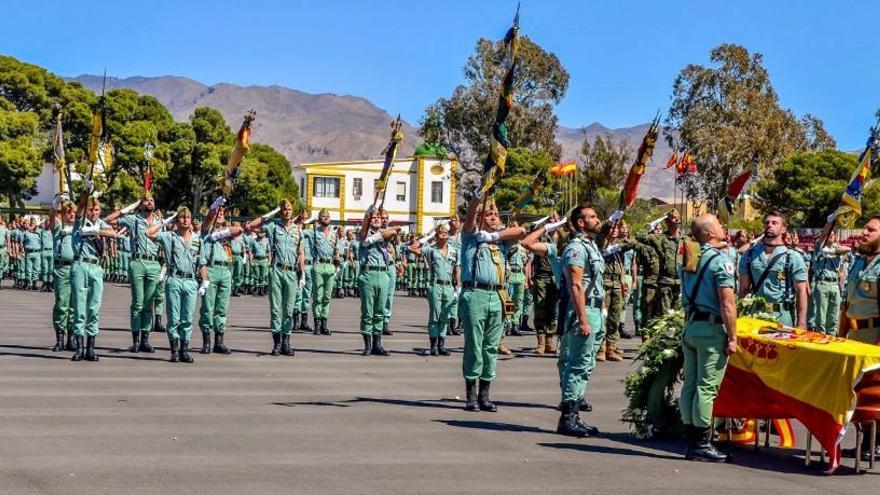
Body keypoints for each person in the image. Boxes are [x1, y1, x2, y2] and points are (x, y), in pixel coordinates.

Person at [459, 192, 526, 412]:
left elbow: (521, 231)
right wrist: (479, 196)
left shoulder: (500, 240)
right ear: (480, 218)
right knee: (474, 345)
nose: (494, 218)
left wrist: (494, 237)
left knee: (490, 347)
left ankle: (485, 394)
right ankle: (471, 393)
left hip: (498, 295)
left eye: (496, 214)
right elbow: (469, 216)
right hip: (475, 294)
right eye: (489, 214)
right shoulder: (471, 237)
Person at [679, 214, 737, 462]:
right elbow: (727, 303)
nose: (723, 228)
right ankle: (703, 443)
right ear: (711, 232)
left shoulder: (691, 257)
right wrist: (732, 336)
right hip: (711, 330)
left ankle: (692, 441)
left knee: (690, 384)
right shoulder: (720, 262)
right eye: (719, 225)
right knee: (706, 387)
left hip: (691, 326)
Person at [557, 205, 609, 436]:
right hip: (584, 311)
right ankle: (567, 417)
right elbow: (576, 285)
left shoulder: (591, 246)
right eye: (592, 217)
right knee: (577, 364)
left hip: (595, 310)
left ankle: (575, 413)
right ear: (580, 222)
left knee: (586, 364)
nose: (597, 220)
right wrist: (583, 319)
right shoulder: (576, 249)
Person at [840, 214, 880, 461]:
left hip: (874, 334)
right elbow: (847, 305)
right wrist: (840, 336)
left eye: (871, 229)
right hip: (855, 335)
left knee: (874, 392)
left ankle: (875, 443)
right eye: (865, 228)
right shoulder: (859, 261)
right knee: (855, 391)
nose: (864, 232)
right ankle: (865, 441)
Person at [246, 199, 306, 355]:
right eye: (284, 209)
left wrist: (303, 273)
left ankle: (286, 342)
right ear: (281, 211)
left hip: (292, 272)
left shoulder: (298, 231)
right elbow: (251, 226)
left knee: (289, 309)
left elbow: (301, 252)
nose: (287, 211)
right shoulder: (273, 226)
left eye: (289, 209)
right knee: (275, 309)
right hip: (277, 271)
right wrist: (271, 213)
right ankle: (277, 343)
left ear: (293, 212)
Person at [106, 193, 163, 353]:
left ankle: (145, 339)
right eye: (146, 200)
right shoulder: (133, 219)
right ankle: (136, 340)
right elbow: (108, 220)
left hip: (154, 263)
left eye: (152, 200)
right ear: (141, 204)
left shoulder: (159, 222)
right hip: (138, 262)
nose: (149, 202)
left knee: (149, 303)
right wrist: (128, 208)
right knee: (138, 302)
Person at [146, 207, 201, 362]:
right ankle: (174, 350)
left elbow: (201, 262)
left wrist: (205, 281)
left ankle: (184, 350)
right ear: (176, 220)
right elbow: (149, 233)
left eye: (187, 217)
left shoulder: (197, 239)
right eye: (181, 217)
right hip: (174, 279)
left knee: (187, 317)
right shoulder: (169, 236)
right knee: (174, 317)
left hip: (190, 280)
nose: (185, 220)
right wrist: (166, 220)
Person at [70, 193, 120, 362]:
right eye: (91, 209)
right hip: (81, 264)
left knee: (94, 307)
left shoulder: (101, 224)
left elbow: (113, 233)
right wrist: (85, 191)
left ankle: (90, 348)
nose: (93, 212)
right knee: (79, 306)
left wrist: (95, 230)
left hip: (96, 266)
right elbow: (80, 209)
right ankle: (79, 347)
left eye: (96, 209)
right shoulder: (80, 221)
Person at [738, 212, 808, 328]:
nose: (769, 225)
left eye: (774, 223)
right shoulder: (750, 255)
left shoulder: (792, 257)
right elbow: (743, 289)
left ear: (783, 229)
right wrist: (740, 315)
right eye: (767, 222)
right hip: (755, 314)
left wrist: (801, 323)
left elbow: (801, 292)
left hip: (782, 315)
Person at [198, 197, 243, 354]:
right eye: (219, 211)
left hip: (225, 272)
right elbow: (208, 219)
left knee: (222, 308)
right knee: (208, 308)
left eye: (223, 211)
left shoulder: (226, 232)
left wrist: (223, 232)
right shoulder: (206, 229)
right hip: (211, 269)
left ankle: (219, 341)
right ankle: (206, 341)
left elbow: (239, 230)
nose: (221, 213)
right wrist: (214, 207)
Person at [409, 223, 459, 356]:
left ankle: (442, 345)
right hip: (435, 285)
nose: (443, 233)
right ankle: (433, 345)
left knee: (445, 316)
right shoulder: (431, 249)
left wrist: (458, 287)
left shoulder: (454, 251)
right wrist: (428, 236)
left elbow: (457, 269)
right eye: (440, 232)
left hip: (449, 286)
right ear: (436, 235)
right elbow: (413, 248)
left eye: (445, 232)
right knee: (435, 316)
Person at [357, 205, 401, 356]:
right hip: (368, 274)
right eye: (374, 217)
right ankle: (368, 345)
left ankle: (378, 344)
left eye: (378, 217)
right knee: (368, 311)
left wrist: (378, 235)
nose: (376, 219)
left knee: (380, 312)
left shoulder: (384, 233)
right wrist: (367, 215)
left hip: (383, 275)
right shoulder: (363, 233)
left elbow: (395, 230)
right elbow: (363, 233)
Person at [47, 195, 78, 352]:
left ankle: (71, 339)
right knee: (61, 304)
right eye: (68, 212)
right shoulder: (59, 227)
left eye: (74, 212)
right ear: (63, 214)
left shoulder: (79, 228)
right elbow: (52, 219)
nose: (71, 215)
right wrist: (55, 203)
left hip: (76, 268)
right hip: (61, 269)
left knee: (74, 305)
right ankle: (59, 338)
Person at [304, 208, 339, 335]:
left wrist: (337, 265)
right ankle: (317, 323)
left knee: (327, 296)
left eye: (328, 216)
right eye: (323, 216)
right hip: (318, 264)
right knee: (318, 295)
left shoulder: (334, 234)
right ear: (319, 219)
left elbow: (336, 250)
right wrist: (309, 220)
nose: (326, 217)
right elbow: (300, 230)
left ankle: (324, 323)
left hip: (330, 265)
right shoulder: (313, 232)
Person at [810, 229, 849, 335]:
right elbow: (820, 242)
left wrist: (832, 251)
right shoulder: (819, 248)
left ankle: (831, 340)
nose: (831, 235)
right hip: (822, 284)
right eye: (829, 234)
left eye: (833, 234)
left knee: (833, 317)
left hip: (835, 285)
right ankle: (820, 342)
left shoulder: (838, 249)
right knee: (821, 318)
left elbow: (848, 249)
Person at [380, 209, 399, 335]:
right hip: (381, 267)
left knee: (389, 296)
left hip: (391, 266)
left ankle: (385, 321)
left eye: (386, 218)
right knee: (380, 295)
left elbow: (395, 248)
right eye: (383, 218)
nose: (385, 220)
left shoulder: (393, 233)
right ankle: (378, 320)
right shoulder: (377, 232)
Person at [23, 218, 42, 291]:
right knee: (28, 269)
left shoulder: (39, 233)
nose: (32, 226)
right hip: (29, 252)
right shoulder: (26, 233)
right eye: (31, 224)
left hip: (37, 252)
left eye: (34, 224)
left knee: (36, 269)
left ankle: (34, 284)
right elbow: (22, 242)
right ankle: (28, 283)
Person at [38, 221, 54, 292]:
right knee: (45, 268)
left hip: (52, 251)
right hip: (44, 251)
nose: (48, 225)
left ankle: (49, 284)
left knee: (51, 269)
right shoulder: (42, 231)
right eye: (46, 223)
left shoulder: (53, 232)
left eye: (49, 223)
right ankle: (44, 284)